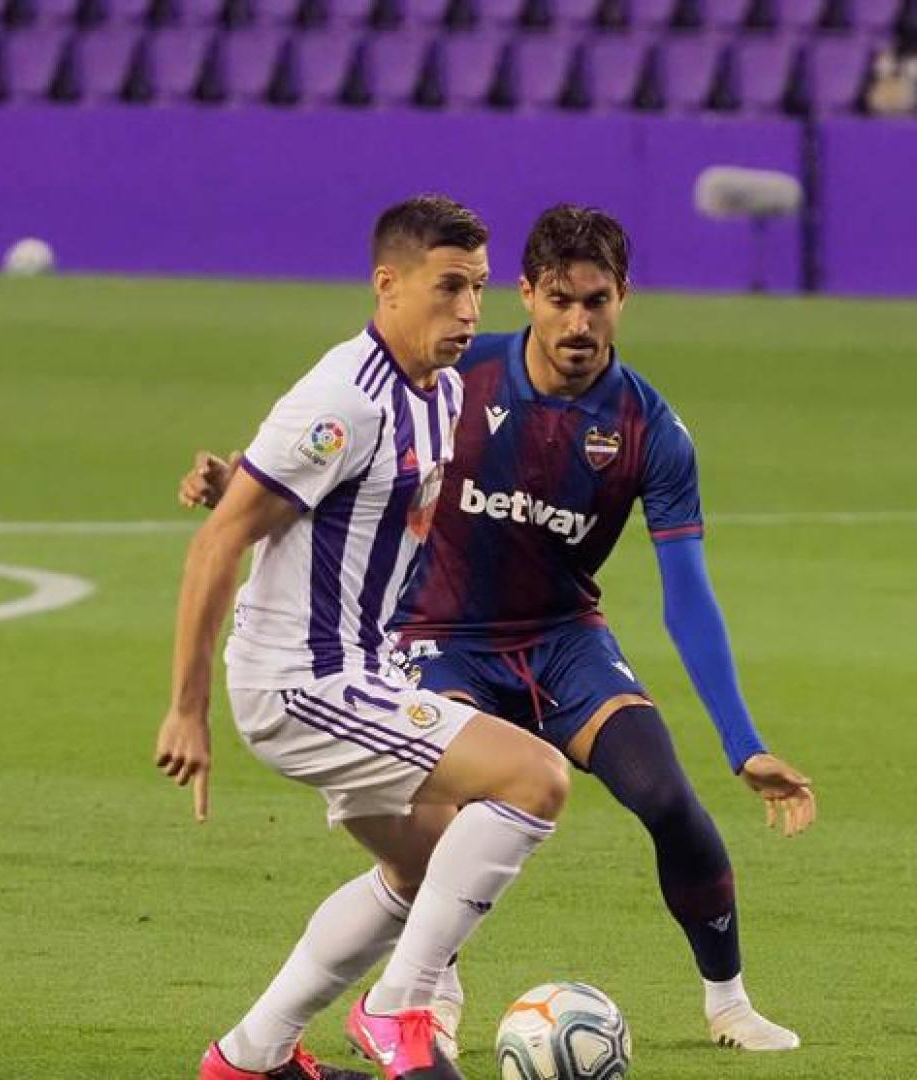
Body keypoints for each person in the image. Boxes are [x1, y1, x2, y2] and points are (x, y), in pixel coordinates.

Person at [181, 204, 815, 1056]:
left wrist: (743, 742)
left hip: (563, 638)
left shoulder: (648, 431)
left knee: (663, 797)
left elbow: (687, 595)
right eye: (561, 300)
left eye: (598, 302)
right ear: (531, 296)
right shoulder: (452, 377)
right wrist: (242, 488)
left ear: (625, 297)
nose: (579, 322)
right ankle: (419, 1000)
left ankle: (728, 1002)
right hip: (435, 637)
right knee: (480, 803)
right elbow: (336, 467)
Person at [156, 194, 572, 1080]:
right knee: (534, 778)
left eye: (479, 290)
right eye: (449, 288)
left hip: (362, 669)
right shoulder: (347, 398)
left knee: (425, 869)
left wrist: (242, 478)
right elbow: (219, 542)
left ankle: (247, 1059)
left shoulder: (441, 389)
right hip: (304, 683)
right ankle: (402, 1005)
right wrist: (186, 712)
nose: (468, 312)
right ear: (388, 285)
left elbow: (320, 495)